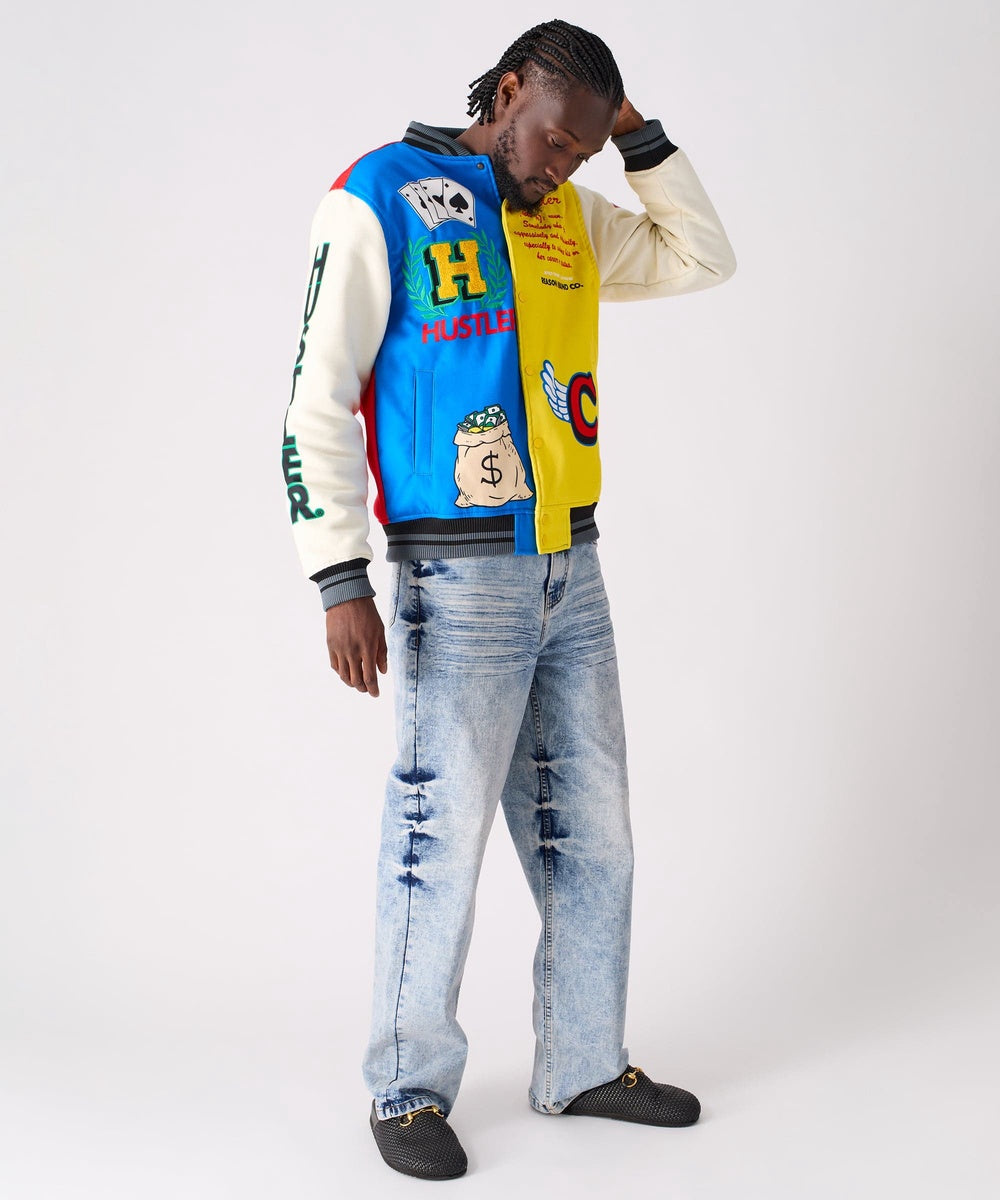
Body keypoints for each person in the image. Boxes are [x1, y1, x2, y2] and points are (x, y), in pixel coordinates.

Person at [282, 18, 735, 1181]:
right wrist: (338, 576)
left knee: (596, 831)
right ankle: (405, 1088)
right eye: (555, 139)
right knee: (437, 833)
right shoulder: (381, 193)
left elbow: (700, 257)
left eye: (584, 150)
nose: (563, 164)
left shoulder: (568, 213)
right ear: (510, 89)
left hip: (570, 566)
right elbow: (316, 393)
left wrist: (633, 135)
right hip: (455, 575)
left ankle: (580, 1062)